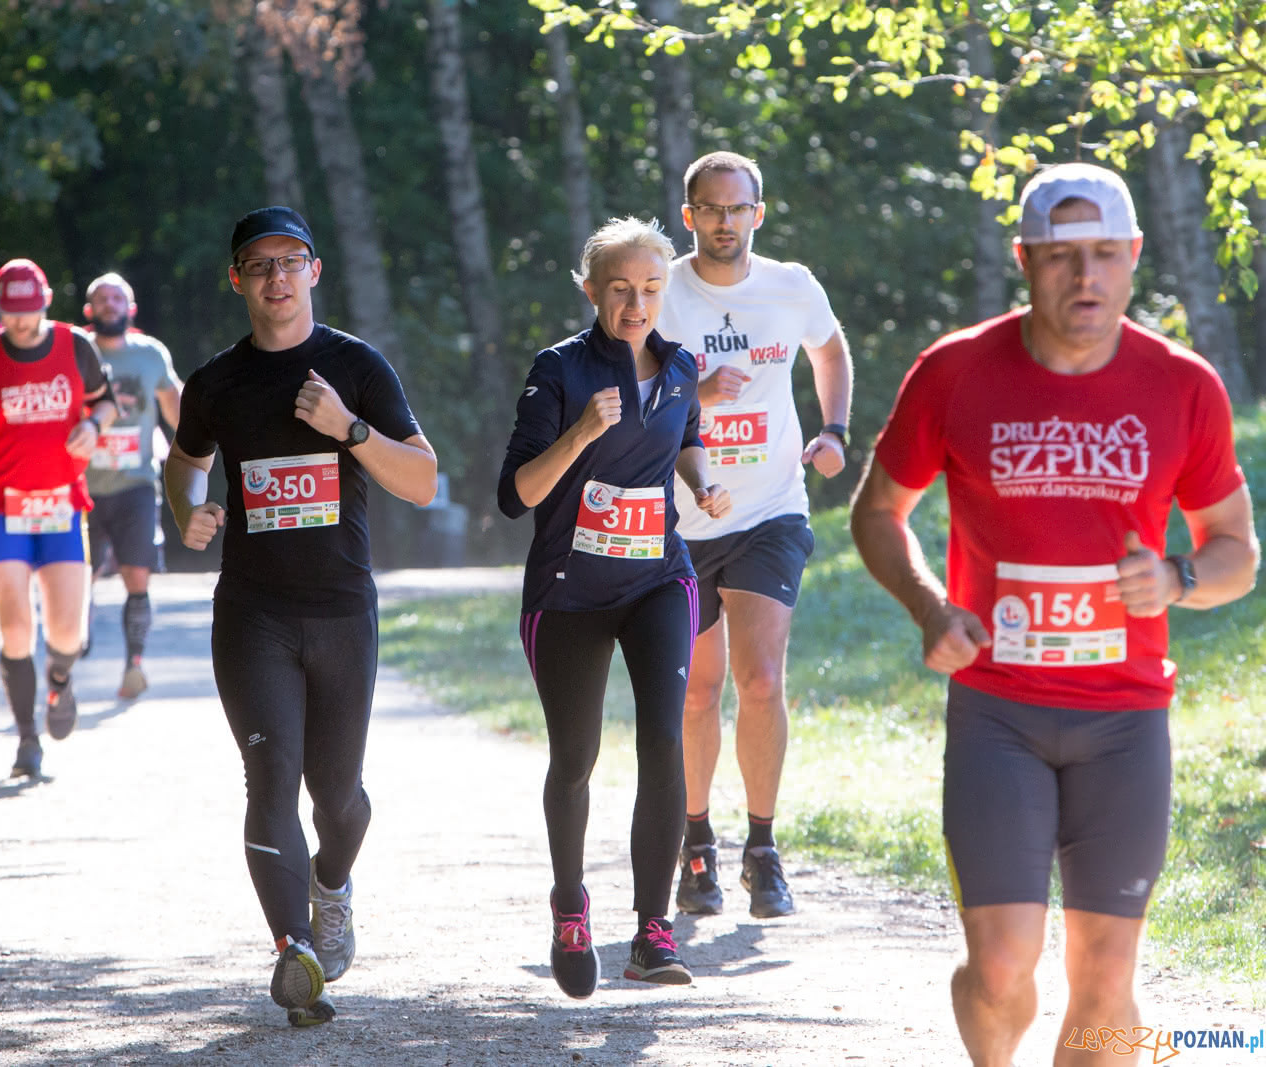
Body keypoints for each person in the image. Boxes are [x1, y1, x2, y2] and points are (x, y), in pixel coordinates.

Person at [848, 162, 1258, 1066]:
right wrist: (929, 607)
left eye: (1107, 255)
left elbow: (1237, 550)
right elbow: (878, 511)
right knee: (1001, 968)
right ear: (1025, 258)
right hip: (999, 711)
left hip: (1125, 718)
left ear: (1135, 257)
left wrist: (1181, 578)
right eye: (1064, 257)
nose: (1087, 277)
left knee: (1107, 979)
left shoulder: (1181, 385)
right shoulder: (955, 371)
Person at [164, 207, 437, 1027]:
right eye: (260, 264)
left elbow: (422, 479)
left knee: (337, 793)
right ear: (237, 279)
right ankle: (295, 952)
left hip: (341, 608)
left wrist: (347, 429)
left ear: (314, 272)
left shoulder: (354, 366)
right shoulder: (215, 383)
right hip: (252, 612)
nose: (276, 278)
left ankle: (332, 885)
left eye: (291, 262)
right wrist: (187, 511)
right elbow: (183, 468)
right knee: (269, 774)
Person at [499, 216, 731, 1000]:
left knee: (664, 738)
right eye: (622, 289)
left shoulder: (680, 364)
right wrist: (578, 434)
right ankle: (571, 906)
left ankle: (651, 930)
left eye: (653, 288)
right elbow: (515, 494)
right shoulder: (559, 370)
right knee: (577, 756)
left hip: (657, 576)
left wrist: (700, 481)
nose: (638, 304)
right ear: (592, 289)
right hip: (570, 591)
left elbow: (687, 433)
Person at [656, 151, 853, 919]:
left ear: (758, 215)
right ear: (689, 216)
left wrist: (834, 429)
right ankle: (696, 839)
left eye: (738, 209)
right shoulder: (661, 289)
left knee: (762, 678)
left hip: (771, 506)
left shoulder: (792, 286)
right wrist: (692, 391)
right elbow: (624, 386)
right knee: (699, 688)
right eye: (710, 209)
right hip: (680, 516)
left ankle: (763, 847)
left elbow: (829, 348)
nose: (725, 222)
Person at [0, 259, 118, 780]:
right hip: (4, 505)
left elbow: (105, 404)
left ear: (44, 303)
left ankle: (60, 679)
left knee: (67, 630)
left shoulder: (74, 346)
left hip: (62, 504)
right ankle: (26, 739)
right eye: (11, 313)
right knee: (15, 627)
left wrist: (93, 426)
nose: (21, 322)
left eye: (30, 311)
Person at [80, 271, 183, 700]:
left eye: (117, 298)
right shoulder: (75, 351)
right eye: (101, 299)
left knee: (136, 577)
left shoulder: (150, 354)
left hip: (136, 484)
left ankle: (133, 666)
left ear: (131, 308)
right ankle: (68, 658)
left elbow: (176, 407)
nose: (110, 305)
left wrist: (202, 446)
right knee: (75, 578)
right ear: (89, 310)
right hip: (80, 486)